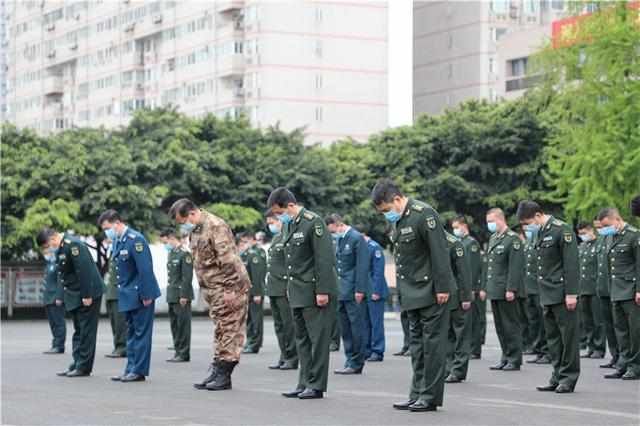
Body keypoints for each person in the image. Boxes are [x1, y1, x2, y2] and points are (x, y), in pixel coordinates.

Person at [372, 179, 453, 413]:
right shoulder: (399, 221)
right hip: (411, 293)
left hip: (431, 292)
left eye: (387, 210)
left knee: (432, 347)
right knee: (416, 347)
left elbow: (439, 254)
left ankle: (430, 396)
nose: (386, 215)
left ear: (397, 199)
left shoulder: (424, 214)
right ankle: (416, 392)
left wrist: (443, 288)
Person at [169, 199, 250, 391]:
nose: (183, 226)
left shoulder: (216, 225)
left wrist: (230, 289)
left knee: (230, 329)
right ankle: (217, 370)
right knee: (221, 328)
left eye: (183, 221)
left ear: (191, 213)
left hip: (228, 287)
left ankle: (224, 374)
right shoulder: (196, 229)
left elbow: (228, 259)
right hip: (214, 289)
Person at [267, 187, 338, 400]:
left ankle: (315, 385)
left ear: (290, 205)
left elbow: (324, 258)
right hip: (296, 290)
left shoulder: (312, 222)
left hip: (314, 290)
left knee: (317, 340)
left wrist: (322, 290)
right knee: (302, 340)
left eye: (280, 212)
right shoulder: (289, 226)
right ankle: (304, 381)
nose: (279, 217)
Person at [517, 200, 580, 393]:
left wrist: (571, 293)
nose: (527, 227)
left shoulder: (562, 230)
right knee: (553, 338)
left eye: (528, 223)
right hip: (546, 293)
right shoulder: (540, 233)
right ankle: (556, 375)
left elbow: (571, 265)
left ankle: (568, 378)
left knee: (567, 338)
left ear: (538, 215)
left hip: (562, 293)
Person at [99, 210, 161, 383]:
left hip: (141, 294)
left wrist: (147, 294)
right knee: (131, 334)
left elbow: (145, 269)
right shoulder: (120, 241)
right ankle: (130, 369)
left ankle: (139, 371)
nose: (107, 232)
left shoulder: (136, 240)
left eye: (108, 227)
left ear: (117, 223)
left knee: (141, 334)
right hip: (127, 295)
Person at [36, 228, 104, 377]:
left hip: (88, 294)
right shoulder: (61, 248)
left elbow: (84, 271)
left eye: (47, 245)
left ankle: (84, 367)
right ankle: (76, 363)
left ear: (53, 238)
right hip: (75, 295)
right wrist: (61, 296)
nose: (48, 249)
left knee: (86, 331)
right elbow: (63, 274)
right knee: (79, 330)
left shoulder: (73, 245)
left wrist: (87, 295)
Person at [598, 207, 640, 381]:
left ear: (616, 219)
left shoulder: (634, 235)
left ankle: (635, 367)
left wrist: (639, 289)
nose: (605, 229)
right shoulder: (610, 237)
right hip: (616, 290)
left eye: (607, 225)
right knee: (621, 331)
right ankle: (623, 364)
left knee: (635, 331)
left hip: (631, 291)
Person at [326, 214, 370, 375]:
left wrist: (360, 290)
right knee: (345, 329)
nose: (331, 234)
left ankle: (357, 361)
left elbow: (362, 266)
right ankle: (349, 359)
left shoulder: (356, 238)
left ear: (337, 224)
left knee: (356, 327)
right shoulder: (340, 239)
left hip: (353, 292)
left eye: (331, 230)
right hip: (341, 291)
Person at [485, 208, 524, 371]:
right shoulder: (494, 238)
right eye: (488, 222)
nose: (490, 225)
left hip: (507, 290)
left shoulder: (512, 239)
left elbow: (515, 267)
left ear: (501, 220)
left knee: (511, 325)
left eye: (491, 221)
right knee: (500, 326)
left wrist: (511, 289)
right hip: (495, 289)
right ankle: (505, 356)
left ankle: (514, 359)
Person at [265, 211, 298, 370]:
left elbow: (290, 263)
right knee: (279, 325)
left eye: (272, 221)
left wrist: (289, 286)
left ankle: (292, 357)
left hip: (284, 287)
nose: (270, 225)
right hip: (273, 287)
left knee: (288, 324)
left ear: (280, 220)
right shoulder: (276, 238)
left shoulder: (287, 236)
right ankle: (284, 355)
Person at [451, 216, 484, 360]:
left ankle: (474, 349)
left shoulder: (471, 244)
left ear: (464, 226)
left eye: (457, 227)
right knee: (466, 321)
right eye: (453, 227)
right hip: (462, 287)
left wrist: (470, 288)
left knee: (474, 320)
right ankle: (469, 347)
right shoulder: (460, 243)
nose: (455, 230)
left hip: (470, 288)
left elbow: (472, 268)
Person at [160, 229, 194, 363]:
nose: (165, 244)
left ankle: (184, 353)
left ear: (172, 238)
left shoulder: (184, 254)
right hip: (172, 295)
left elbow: (187, 277)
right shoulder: (172, 254)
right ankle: (177, 350)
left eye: (166, 241)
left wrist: (184, 295)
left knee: (183, 325)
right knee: (175, 325)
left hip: (181, 295)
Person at [444, 232, 473, 383]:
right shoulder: (434, 241)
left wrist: (466, 297)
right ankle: (448, 367)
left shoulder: (454, 244)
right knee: (447, 335)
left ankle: (459, 369)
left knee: (460, 334)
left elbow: (464, 273)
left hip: (457, 296)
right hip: (443, 297)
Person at [358, 227, 389, 362]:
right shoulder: (361, 247)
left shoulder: (374, 247)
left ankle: (377, 350)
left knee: (376, 323)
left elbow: (378, 272)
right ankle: (367, 349)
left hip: (375, 291)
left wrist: (376, 291)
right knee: (365, 322)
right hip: (364, 290)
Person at [576, 222, 605, 359]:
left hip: (595, 288)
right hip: (583, 288)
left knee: (597, 320)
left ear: (590, 230)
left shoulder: (600, 244)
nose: (582, 236)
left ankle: (599, 348)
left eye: (583, 233)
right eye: (580, 234)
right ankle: (591, 346)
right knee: (586, 320)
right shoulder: (582, 246)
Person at [594, 219, 621, 369]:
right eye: (598, 227)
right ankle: (615, 356)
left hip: (617, 288)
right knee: (609, 325)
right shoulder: (601, 240)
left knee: (620, 326)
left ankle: (624, 358)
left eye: (603, 226)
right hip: (603, 288)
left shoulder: (615, 237)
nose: (600, 229)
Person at [523, 229, 550, 364]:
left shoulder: (543, 238)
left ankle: (547, 351)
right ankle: (538, 349)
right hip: (530, 287)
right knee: (533, 321)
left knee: (543, 322)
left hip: (540, 287)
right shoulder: (528, 241)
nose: (526, 228)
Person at [238, 232, 267, 355]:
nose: (243, 245)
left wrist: (258, 293)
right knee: (249, 318)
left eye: (245, 241)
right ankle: (250, 340)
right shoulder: (245, 255)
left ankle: (255, 343)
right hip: (246, 292)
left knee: (256, 319)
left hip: (254, 291)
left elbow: (257, 276)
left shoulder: (254, 255)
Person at [104, 242, 127, 358]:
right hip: (111, 292)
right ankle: (117, 345)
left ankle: (122, 347)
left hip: (119, 292)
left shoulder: (123, 251)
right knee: (114, 321)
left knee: (120, 323)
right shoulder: (113, 252)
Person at [41, 252, 66, 354]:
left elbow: (61, 281)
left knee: (58, 322)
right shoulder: (49, 264)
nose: (46, 253)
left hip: (55, 297)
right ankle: (55, 344)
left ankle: (59, 345)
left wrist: (60, 296)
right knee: (53, 323)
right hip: (48, 298)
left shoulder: (58, 264)